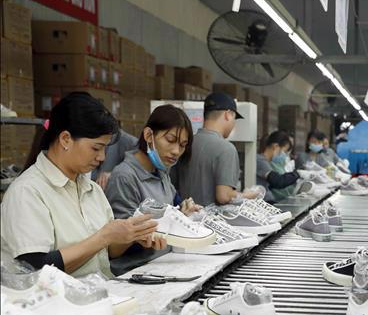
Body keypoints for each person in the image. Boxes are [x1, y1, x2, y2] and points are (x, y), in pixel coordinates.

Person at [1, 92, 163, 278]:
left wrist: (129, 236)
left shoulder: (91, 189)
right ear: (65, 139)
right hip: (53, 303)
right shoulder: (27, 191)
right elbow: (35, 268)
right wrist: (104, 236)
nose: (102, 157)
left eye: (104, 148)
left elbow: (107, 252)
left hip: (98, 295)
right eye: (96, 148)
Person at [105, 104, 201, 219]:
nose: (176, 151)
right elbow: (127, 232)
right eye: (170, 140)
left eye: (182, 145)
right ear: (148, 135)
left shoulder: (162, 171)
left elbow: (172, 207)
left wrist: (182, 213)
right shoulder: (124, 177)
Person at [171, 92, 258, 206]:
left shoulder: (185, 144)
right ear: (228, 115)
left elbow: (172, 185)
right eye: (234, 118)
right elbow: (224, 196)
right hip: (212, 221)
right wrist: (249, 195)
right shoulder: (226, 148)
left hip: (185, 217)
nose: (233, 125)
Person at [257, 130, 300, 203]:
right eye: (284, 151)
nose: (285, 155)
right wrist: (298, 174)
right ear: (276, 146)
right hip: (263, 203)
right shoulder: (259, 160)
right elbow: (277, 181)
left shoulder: (268, 162)